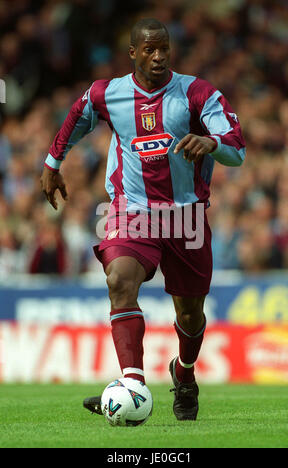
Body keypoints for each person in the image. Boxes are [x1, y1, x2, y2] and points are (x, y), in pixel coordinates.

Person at [40, 18, 246, 421]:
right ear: (132, 52)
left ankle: (184, 375)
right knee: (119, 279)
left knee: (190, 314)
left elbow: (237, 149)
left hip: (185, 216)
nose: (159, 56)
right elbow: (78, 112)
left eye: (164, 49)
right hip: (130, 210)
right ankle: (132, 383)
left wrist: (211, 142)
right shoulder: (109, 94)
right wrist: (52, 161)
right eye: (149, 50)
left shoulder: (197, 93)